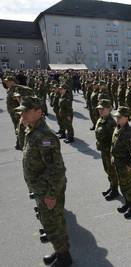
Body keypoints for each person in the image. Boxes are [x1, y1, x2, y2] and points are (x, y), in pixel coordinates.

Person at [16, 96, 72, 267]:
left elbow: (57, 170)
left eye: (26, 111)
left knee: (54, 223)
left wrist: (51, 194)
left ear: (38, 112)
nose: (23, 115)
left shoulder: (45, 137)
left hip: (49, 190)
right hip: (40, 188)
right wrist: (22, 124)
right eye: (21, 112)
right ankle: (59, 250)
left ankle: (64, 257)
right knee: (49, 222)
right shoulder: (30, 130)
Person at [111, 106, 131, 219]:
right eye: (116, 116)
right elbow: (113, 144)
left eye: (120, 117)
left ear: (126, 118)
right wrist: (112, 156)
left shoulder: (128, 133)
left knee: (128, 186)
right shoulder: (117, 128)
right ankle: (127, 202)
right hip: (118, 163)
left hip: (125, 165)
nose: (117, 118)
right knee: (122, 185)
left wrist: (129, 165)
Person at [95, 99, 119, 200]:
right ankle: (111, 186)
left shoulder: (111, 123)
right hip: (103, 150)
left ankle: (115, 190)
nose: (100, 110)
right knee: (107, 170)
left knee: (112, 171)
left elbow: (115, 141)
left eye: (102, 109)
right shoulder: (101, 119)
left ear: (109, 109)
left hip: (109, 152)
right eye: (99, 109)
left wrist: (112, 154)